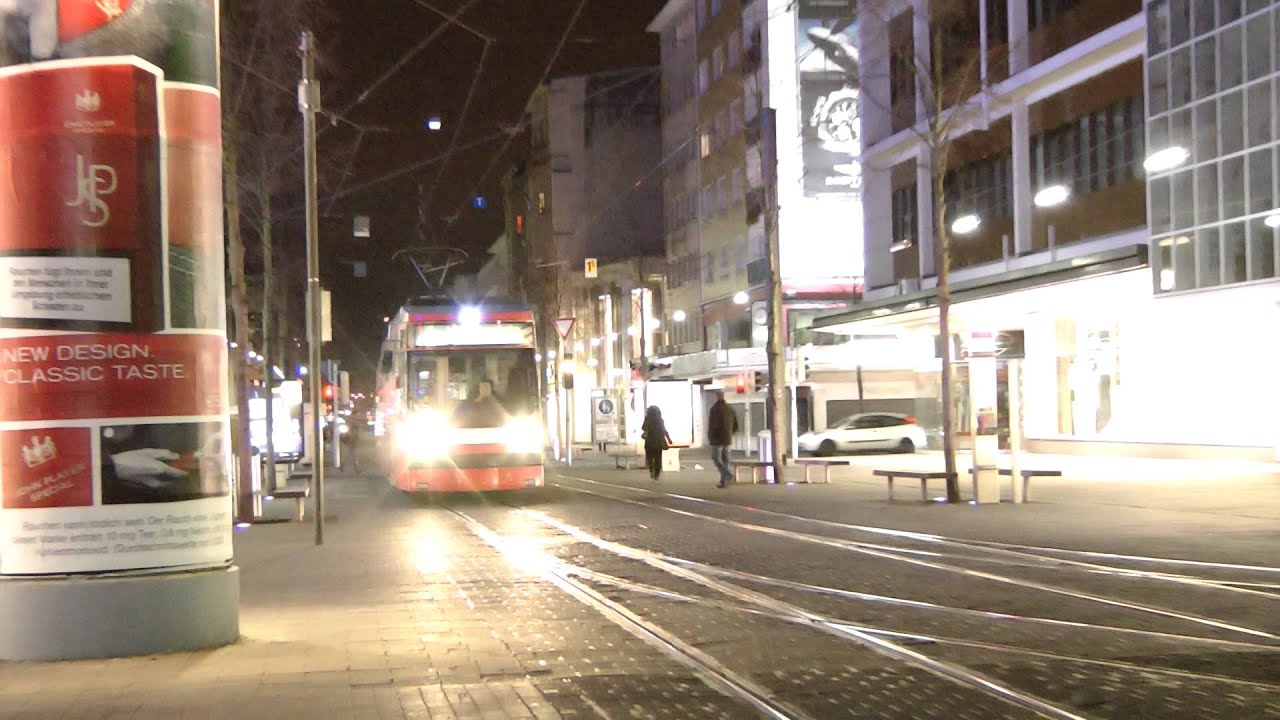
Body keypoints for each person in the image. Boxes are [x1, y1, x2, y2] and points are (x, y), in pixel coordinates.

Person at [707, 390, 738, 488]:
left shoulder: (714, 409)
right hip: (727, 439)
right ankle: (723, 482)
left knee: (716, 458)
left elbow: (713, 425)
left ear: (716, 397)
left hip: (717, 439)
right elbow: (736, 425)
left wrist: (711, 436)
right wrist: (730, 433)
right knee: (725, 460)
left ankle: (728, 475)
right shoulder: (730, 409)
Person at [640, 405, 673, 481]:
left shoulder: (647, 419)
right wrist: (669, 439)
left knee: (649, 457)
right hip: (658, 442)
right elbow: (664, 430)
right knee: (658, 458)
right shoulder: (660, 420)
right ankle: (657, 475)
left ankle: (651, 469)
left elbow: (643, 428)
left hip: (649, 443)